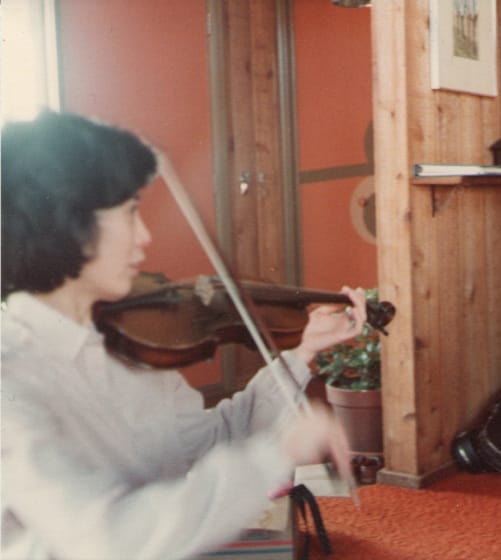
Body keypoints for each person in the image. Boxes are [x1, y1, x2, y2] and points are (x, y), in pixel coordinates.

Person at [1, 110, 367, 560]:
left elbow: (209, 439)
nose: (144, 236)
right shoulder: (11, 377)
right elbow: (108, 539)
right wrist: (273, 456)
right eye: (130, 214)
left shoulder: (126, 347)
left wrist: (303, 352)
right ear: (71, 226)